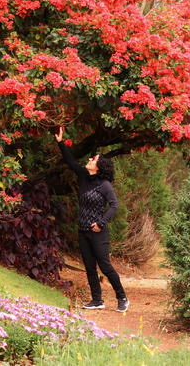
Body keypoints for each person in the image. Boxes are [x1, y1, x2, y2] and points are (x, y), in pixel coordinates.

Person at [55, 127, 129, 313]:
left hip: (98, 232)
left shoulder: (105, 186)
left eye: (93, 159)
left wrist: (101, 223)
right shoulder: (83, 176)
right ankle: (97, 300)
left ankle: (122, 297)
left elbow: (114, 206)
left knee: (104, 266)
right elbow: (70, 161)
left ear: (99, 166)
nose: (89, 160)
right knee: (89, 267)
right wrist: (60, 142)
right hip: (83, 230)